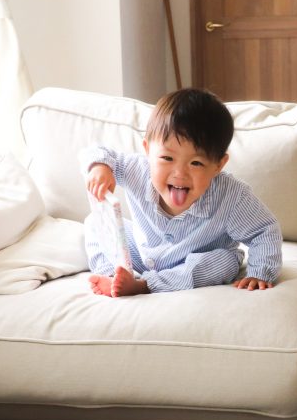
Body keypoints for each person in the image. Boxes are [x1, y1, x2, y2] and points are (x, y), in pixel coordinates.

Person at [81, 88, 282, 297]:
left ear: (218, 165)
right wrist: (100, 167)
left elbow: (263, 230)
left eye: (196, 163)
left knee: (225, 262)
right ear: (148, 150)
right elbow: (98, 151)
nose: (179, 174)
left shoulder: (231, 196)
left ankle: (144, 286)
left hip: (194, 262)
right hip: (142, 254)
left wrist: (261, 273)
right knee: (94, 223)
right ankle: (112, 276)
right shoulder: (136, 170)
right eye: (167, 158)